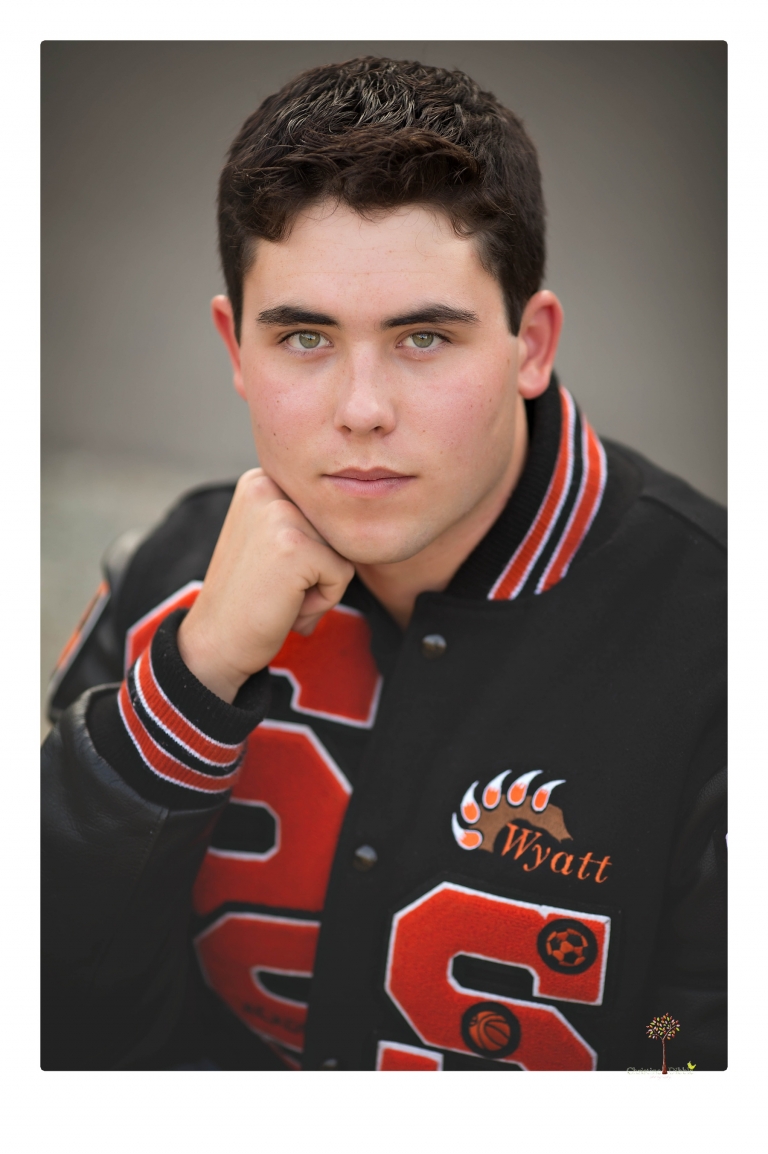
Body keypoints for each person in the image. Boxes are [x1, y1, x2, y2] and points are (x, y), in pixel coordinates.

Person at [41, 56, 726, 1072]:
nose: (362, 408)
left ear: (529, 343)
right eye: (306, 337)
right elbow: (55, 1008)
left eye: (423, 338)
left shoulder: (720, 633)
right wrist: (192, 676)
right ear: (236, 346)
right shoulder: (173, 573)